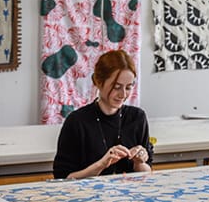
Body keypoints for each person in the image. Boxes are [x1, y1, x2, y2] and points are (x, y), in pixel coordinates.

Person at [53, 49, 153, 180]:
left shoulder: (137, 117)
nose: (123, 94)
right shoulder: (77, 122)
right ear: (99, 83)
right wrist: (102, 164)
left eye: (128, 87)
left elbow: (147, 172)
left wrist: (139, 162)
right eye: (117, 87)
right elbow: (63, 178)